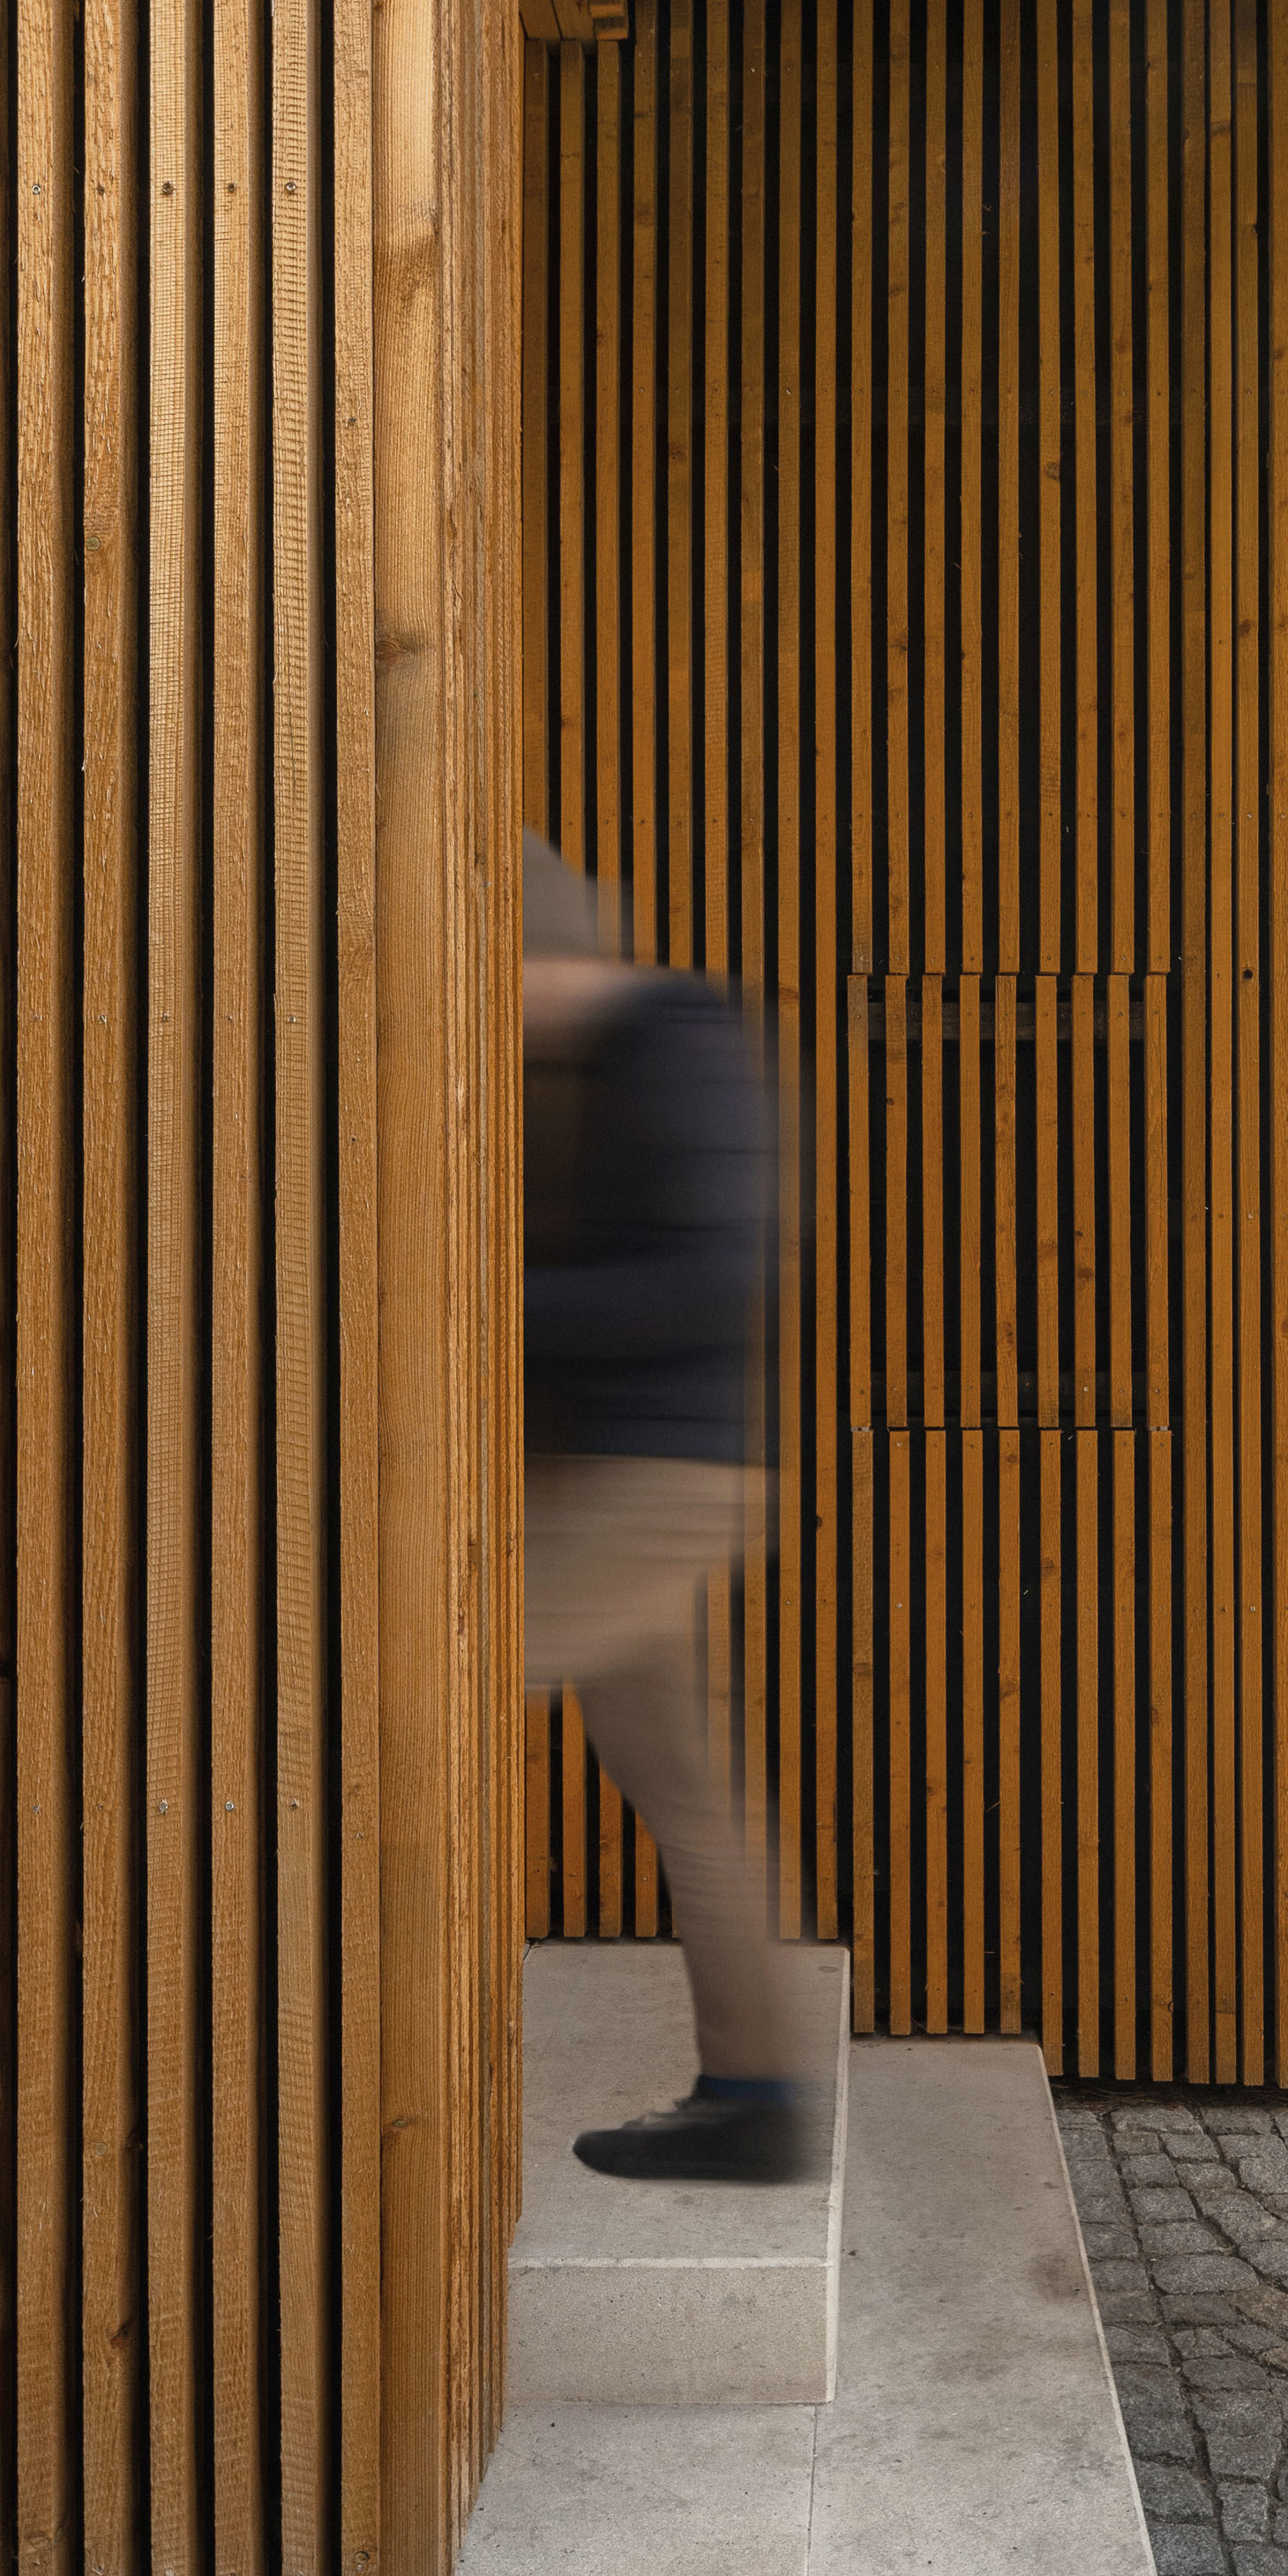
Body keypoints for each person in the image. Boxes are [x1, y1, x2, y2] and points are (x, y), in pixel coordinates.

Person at [522, 830, 815, 2183]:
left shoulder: (677, 1041)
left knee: (426, 1715)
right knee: (688, 1792)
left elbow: (712, 1278)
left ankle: (334, 2081)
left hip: (656, 1482)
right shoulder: (598, 1060)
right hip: (615, 1474)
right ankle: (755, 2094)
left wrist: (484, 1302)